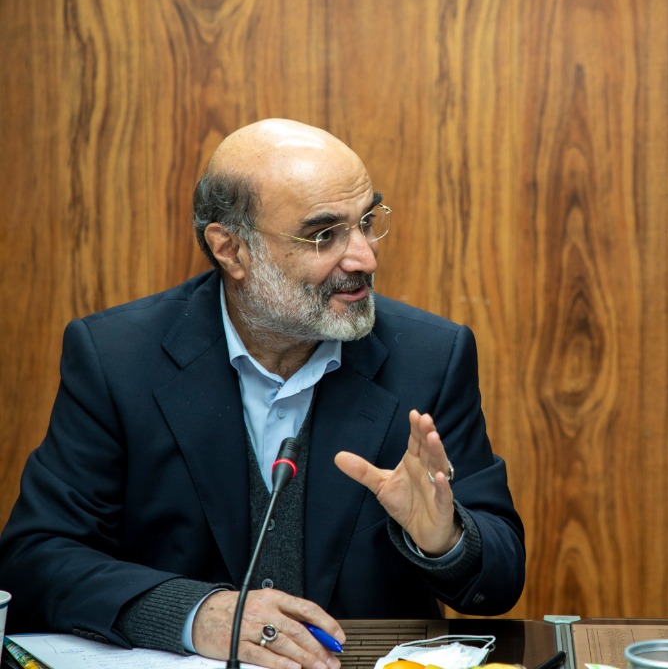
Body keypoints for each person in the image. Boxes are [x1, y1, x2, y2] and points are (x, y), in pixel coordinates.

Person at [0, 119, 526, 669]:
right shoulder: (117, 358)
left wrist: (445, 541)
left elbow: (501, 580)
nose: (364, 258)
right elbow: (34, 559)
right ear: (231, 250)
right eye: (324, 235)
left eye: (366, 222)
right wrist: (194, 614)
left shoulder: (430, 356)